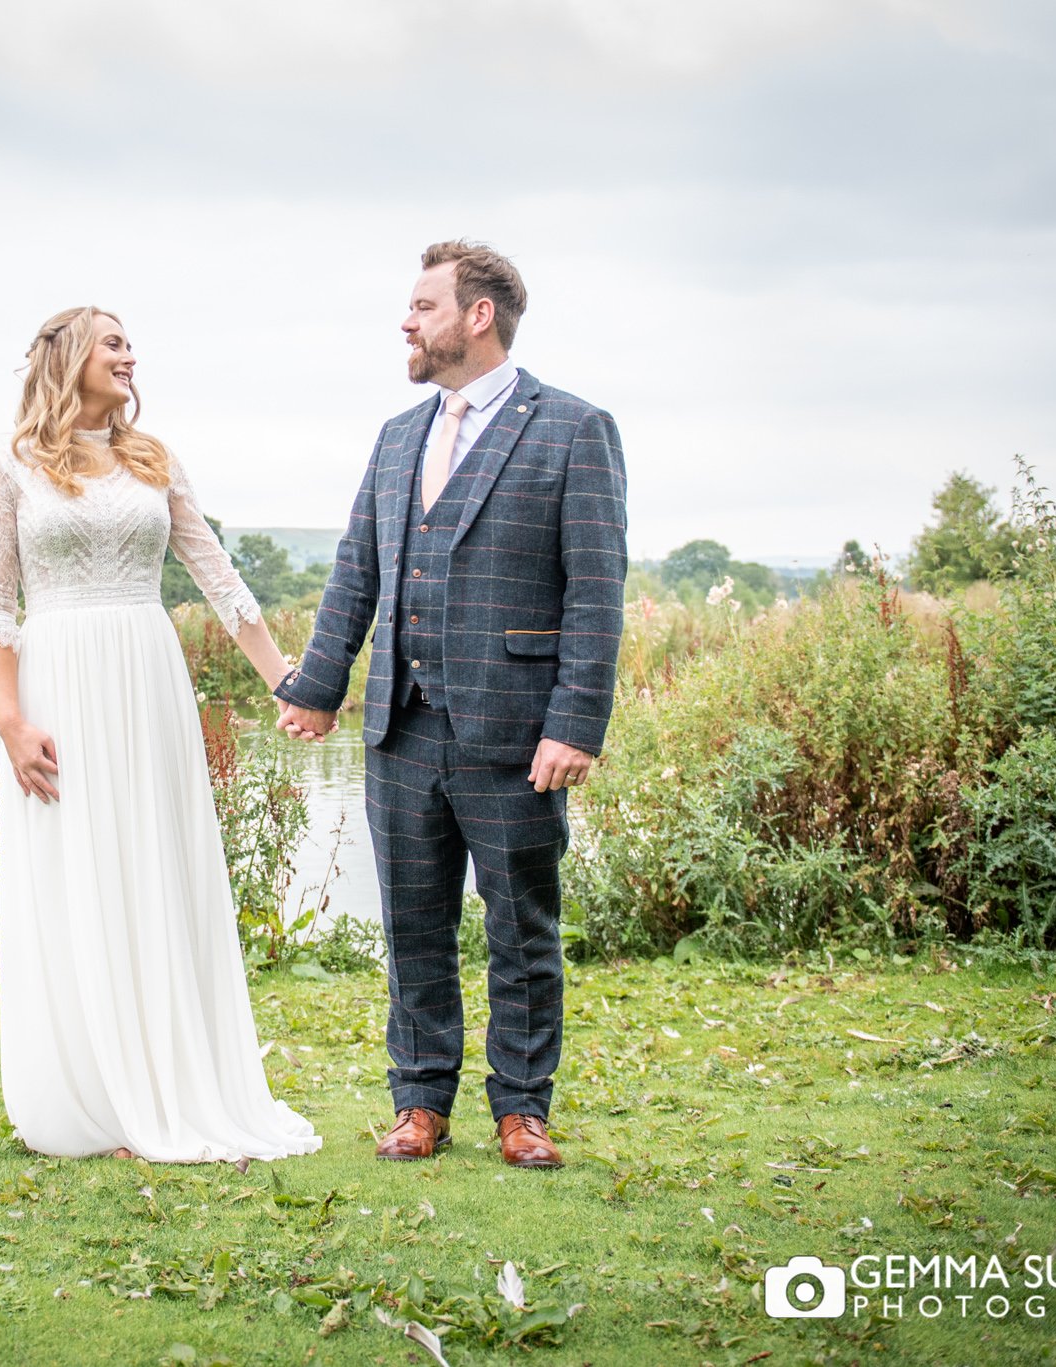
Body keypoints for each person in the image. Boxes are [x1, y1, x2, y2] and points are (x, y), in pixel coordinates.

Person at [274, 242, 627, 1169]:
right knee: (414, 926)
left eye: (422, 305)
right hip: (401, 725)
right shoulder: (397, 436)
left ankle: (522, 1108)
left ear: (478, 316)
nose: (406, 320)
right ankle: (420, 1101)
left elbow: (596, 589)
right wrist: (318, 685)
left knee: (521, 928)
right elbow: (357, 570)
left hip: (515, 732)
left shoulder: (573, 429)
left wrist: (573, 721)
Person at [0, 305, 322, 1164]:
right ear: (68, 358)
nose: (130, 355)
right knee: (79, 868)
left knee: (154, 865)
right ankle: (95, 1094)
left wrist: (287, 679)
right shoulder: (10, 467)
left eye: (131, 344)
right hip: (59, 680)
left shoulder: (154, 459)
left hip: (146, 673)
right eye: (114, 342)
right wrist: (11, 722)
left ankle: (171, 1083)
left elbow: (217, 578)